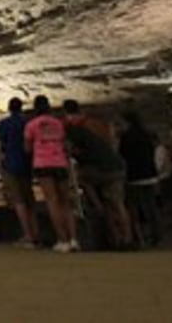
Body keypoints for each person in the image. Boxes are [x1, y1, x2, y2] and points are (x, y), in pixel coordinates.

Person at [65, 102, 132, 250]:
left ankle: (99, 210)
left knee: (85, 181)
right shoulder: (96, 127)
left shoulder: (75, 132)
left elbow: (70, 152)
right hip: (115, 167)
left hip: (100, 170)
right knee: (117, 204)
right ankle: (126, 239)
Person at [25, 95, 78, 253]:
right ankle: (73, 239)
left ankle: (62, 239)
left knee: (52, 201)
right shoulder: (58, 123)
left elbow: (27, 148)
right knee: (65, 202)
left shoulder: (32, 125)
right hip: (60, 162)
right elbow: (64, 142)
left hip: (43, 163)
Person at [0, 97, 38, 248]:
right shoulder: (28, 122)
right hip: (27, 162)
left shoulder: (5, 123)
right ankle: (36, 233)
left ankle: (27, 235)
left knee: (18, 200)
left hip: (11, 163)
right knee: (29, 198)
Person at [119, 111, 163, 247]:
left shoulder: (126, 137)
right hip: (150, 174)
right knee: (151, 206)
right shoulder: (146, 135)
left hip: (135, 176)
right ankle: (156, 234)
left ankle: (138, 236)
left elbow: (122, 156)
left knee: (135, 208)